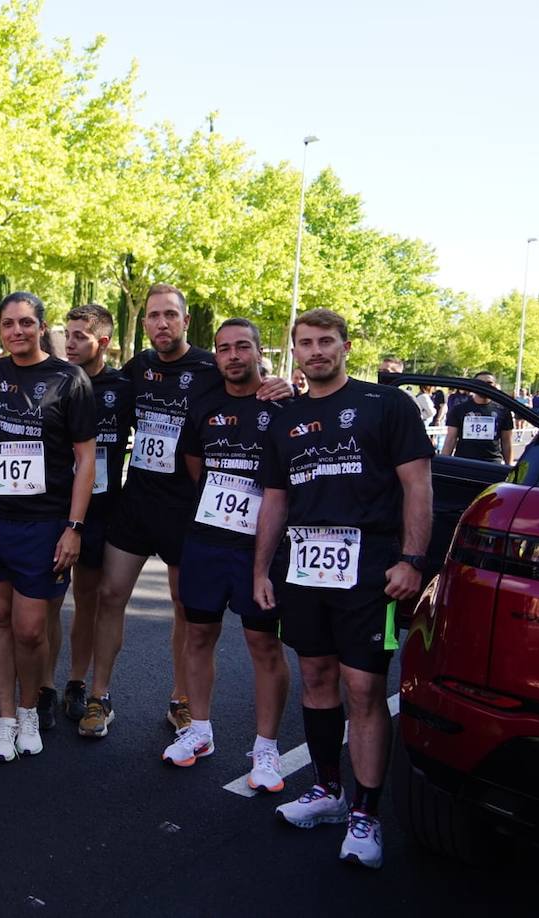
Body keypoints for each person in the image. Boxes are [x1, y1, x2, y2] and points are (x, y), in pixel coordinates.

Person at [254, 308, 433, 870]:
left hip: (371, 568)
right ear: (295, 352)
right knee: (317, 677)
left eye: (325, 341)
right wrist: (261, 570)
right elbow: (275, 500)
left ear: (345, 346)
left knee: (363, 687)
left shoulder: (389, 406)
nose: (315, 351)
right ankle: (328, 791)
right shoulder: (283, 418)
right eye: (305, 343)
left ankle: (366, 812)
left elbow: (418, 486)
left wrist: (411, 560)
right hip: (305, 568)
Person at [84, 284, 289, 739]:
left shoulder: (211, 367)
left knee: (186, 610)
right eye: (153, 316)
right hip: (137, 501)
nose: (161, 324)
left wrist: (285, 386)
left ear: (185, 319)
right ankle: (99, 696)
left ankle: (181, 701)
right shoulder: (140, 367)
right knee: (110, 595)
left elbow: (252, 388)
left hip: (189, 509)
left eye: (169, 315)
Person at [165, 319, 290, 790]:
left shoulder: (282, 405)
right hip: (206, 540)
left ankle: (266, 749)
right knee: (198, 635)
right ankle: (199, 730)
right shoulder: (204, 402)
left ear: (259, 352)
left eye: (242, 347)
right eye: (223, 349)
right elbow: (195, 464)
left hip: (259, 548)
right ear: (215, 356)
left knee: (263, 644)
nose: (233, 356)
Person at [0, 293, 95, 760]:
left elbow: (86, 461)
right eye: (8, 324)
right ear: (1, 330)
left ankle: (29, 709)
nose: (17, 331)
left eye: (26, 322)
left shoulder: (70, 379)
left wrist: (75, 526)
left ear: (42, 327)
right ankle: (5, 718)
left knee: (30, 628)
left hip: (44, 523)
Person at [57, 305, 132, 723]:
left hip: (100, 508)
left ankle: (81, 684)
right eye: (66, 334)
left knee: (89, 598)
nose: (69, 342)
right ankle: (47, 689)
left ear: (102, 342)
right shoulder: (55, 377)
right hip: (52, 503)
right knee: (47, 601)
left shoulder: (123, 385)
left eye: (80, 336)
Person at [442, 370, 514, 465]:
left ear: (495, 386)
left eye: (489, 383)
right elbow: (450, 439)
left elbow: (506, 442)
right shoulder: (459, 409)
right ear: (473, 386)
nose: (484, 386)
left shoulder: (503, 411)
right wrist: (443, 465)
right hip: (463, 462)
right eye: (480, 383)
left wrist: (510, 468)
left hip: (492, 463)